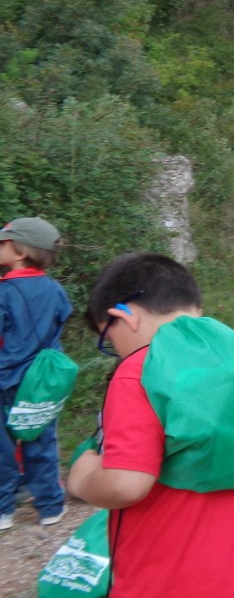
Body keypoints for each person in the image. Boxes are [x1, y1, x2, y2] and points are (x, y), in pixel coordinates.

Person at [68, 252, 234, 598]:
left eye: (109, 342)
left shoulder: (138, 370)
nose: (117, 353)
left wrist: (82, 477)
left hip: (169, 580)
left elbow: (125, 485)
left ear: (125, 316)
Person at [0, 217, 71, 530]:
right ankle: (50, 507)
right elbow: (62, 317)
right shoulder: (55, 289)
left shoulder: (4, 291)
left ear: (20, 251)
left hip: (6, 378)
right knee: (41, 439)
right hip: (44, 380)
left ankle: (3, 511)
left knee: (3, 445)